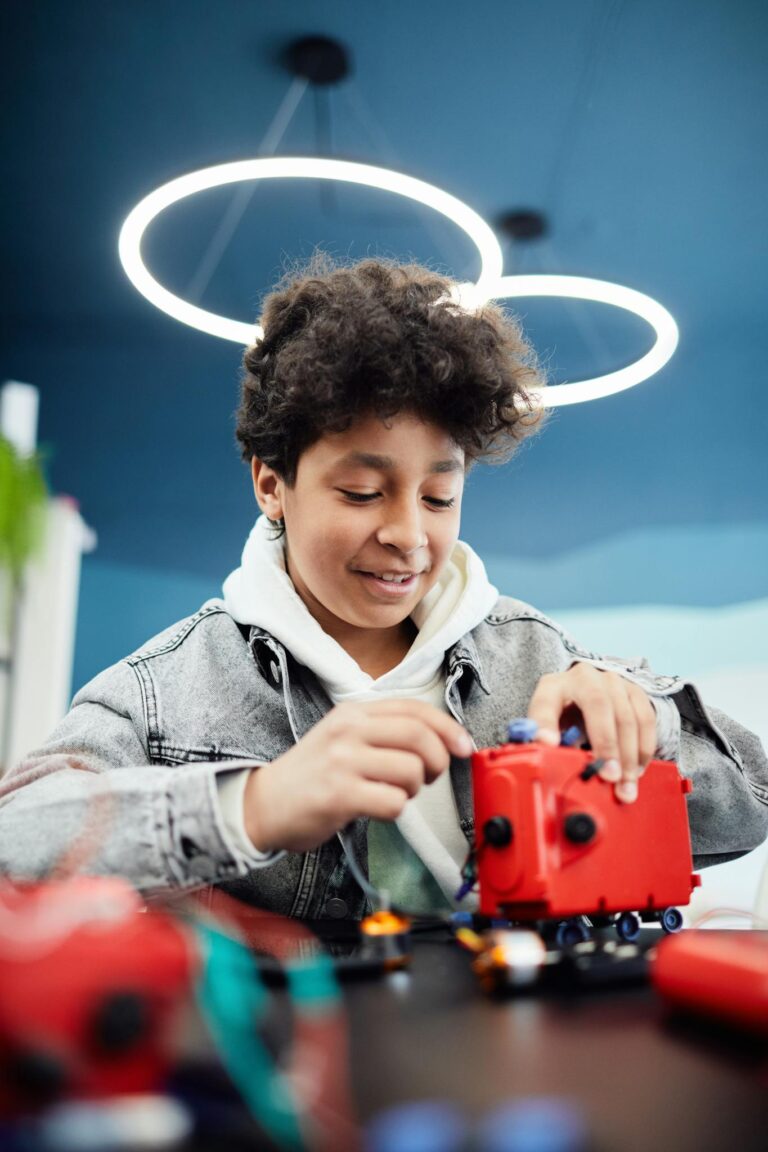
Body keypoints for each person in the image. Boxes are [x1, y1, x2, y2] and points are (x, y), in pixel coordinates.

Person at [1, 259, 766, 919]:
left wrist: (646, 721)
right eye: (363, 492)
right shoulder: (167, 688)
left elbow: (752, 802)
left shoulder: (532, 656)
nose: (409, 534)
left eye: (439, 497)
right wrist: (252, 806)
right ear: (271, 484)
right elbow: (15, 840)